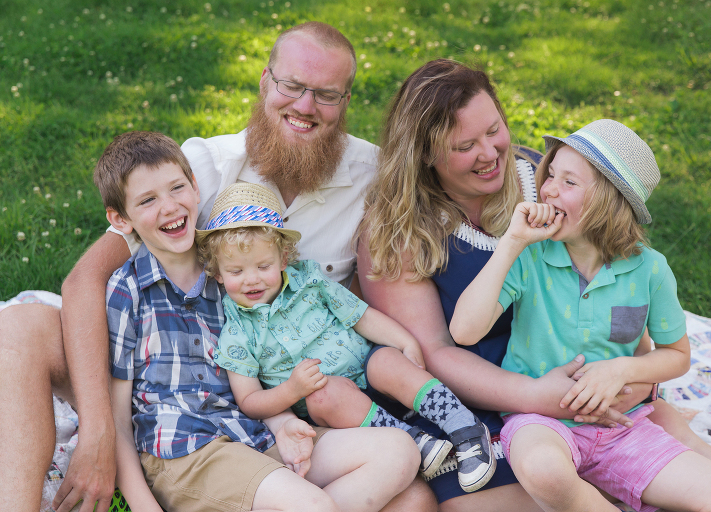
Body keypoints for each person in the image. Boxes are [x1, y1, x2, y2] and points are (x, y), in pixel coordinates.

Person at [0, 21, 435, 512]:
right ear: (265, 81)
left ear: (347, 100)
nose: (305, 106)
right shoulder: (199, 168)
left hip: (270, 397)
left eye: (327, 95)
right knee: (18, 328)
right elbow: (85, 279)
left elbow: (439, 214)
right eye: (291, 86)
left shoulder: (371, 179)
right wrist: (99, 432)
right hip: (159, 374)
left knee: (413, 497)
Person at [356, 59, 711, 511]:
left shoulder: (544, 177)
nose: (491, 153)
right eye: (465, 145)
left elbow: (619, 280)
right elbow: (437, 351)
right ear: (425, 154)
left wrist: (631, 373)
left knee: (679, 443)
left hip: (579, 374)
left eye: (494, 129)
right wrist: (539, 397)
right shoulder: (397, 232)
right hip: (472, 404)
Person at [448, 119, 711, 512]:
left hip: (622, 428)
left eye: (569, 182)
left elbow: (677, 355)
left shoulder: (650, 270)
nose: (547, 189)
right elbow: (463, 330)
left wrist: (622, 370)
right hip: (542, 422)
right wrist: (511, 242)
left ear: (610, 203)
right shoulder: (530, 256)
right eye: (550, 176)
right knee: (544, 468)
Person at [96, 131, 419, 511]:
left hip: (253, 436)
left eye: (176, 188)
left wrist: (282, 425)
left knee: (399, 451)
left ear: (195, 187)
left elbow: (259, 371)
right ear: (121, 218)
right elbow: (119, 417)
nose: (168, 207)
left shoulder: (234, 273)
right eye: (148, 200)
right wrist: (143, 505)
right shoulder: (128, 289)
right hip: (185, 451)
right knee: (312, 506)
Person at [196, 182, 495, 492]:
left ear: (283, 259)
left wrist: (405, 342)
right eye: (236, 271)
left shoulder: (310, 282)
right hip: (340, 410)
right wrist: (291, 389)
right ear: (217, 273)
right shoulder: (236, 334)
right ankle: (416, 443)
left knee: (386, 360)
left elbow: (360, 316)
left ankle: (464, 426)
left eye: (263, 266)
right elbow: (249, 401)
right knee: (323, 395)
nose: (252, 279)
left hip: (369, 368)